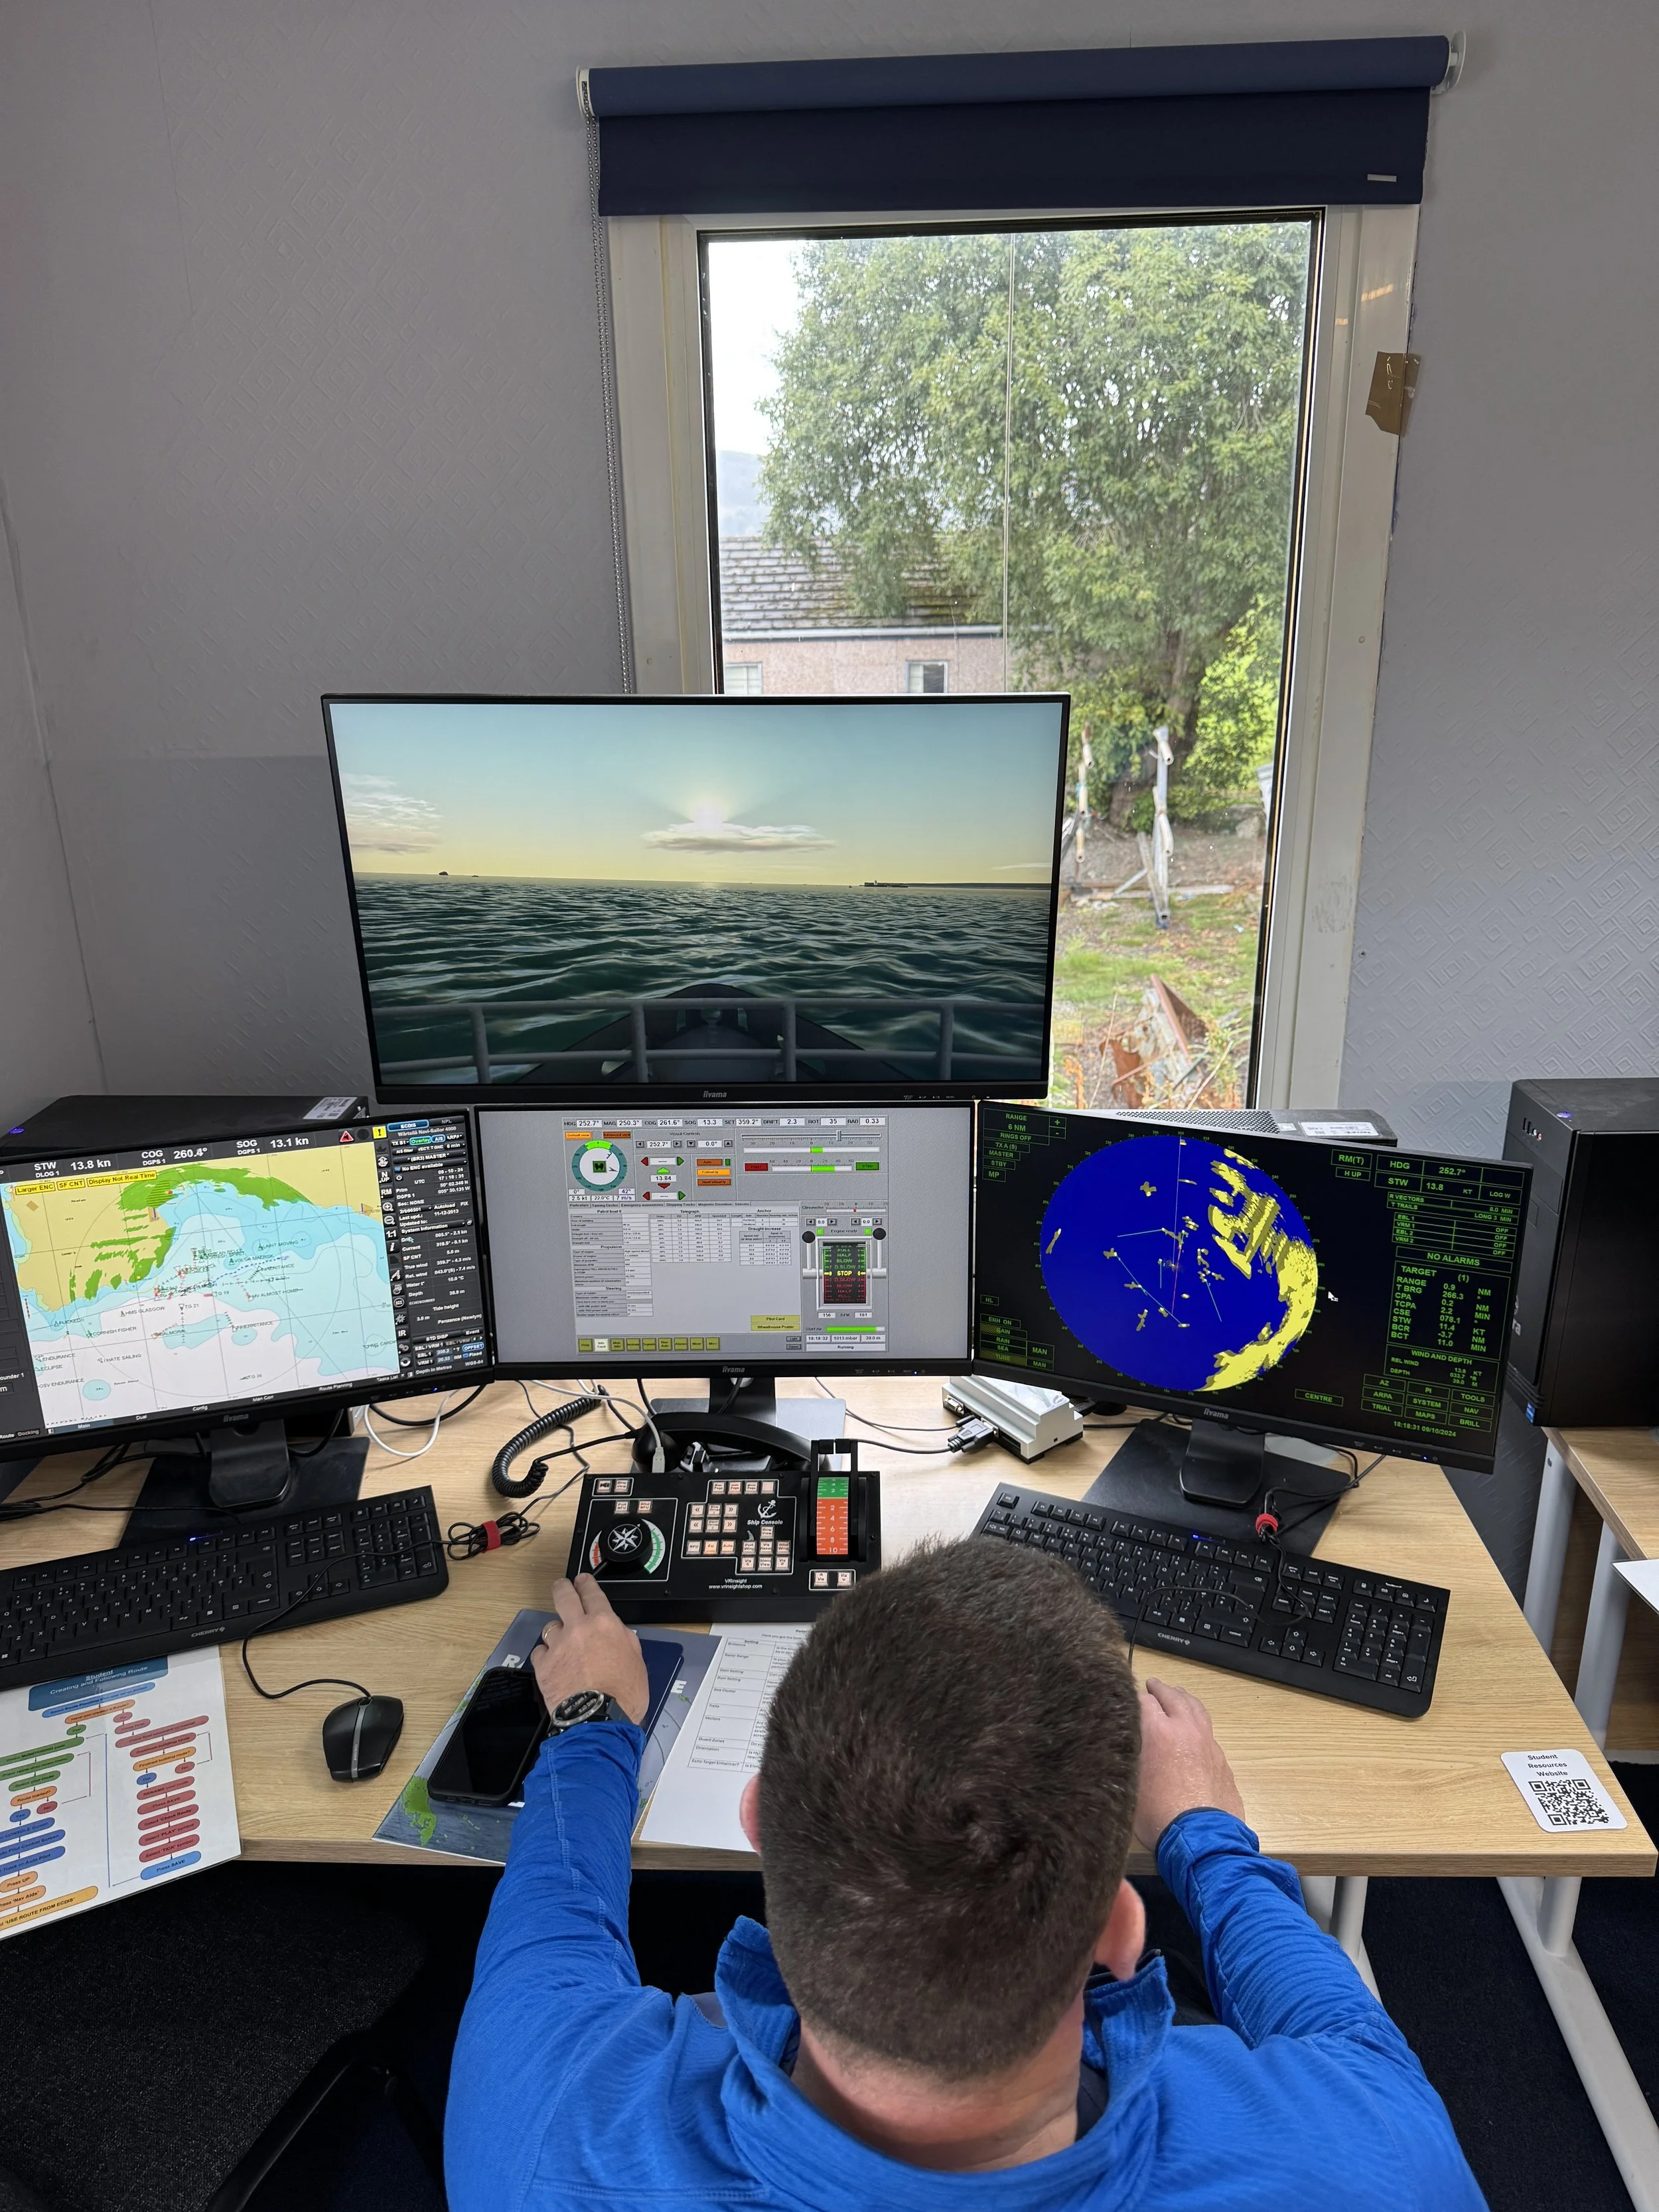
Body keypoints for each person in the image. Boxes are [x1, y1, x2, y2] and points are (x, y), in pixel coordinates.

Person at [446, 1540, 1484, 2210]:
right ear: (1120, 1935)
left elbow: (555, 1917)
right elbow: (1348, 2039)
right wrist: (1207, 1836)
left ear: (760, 1828)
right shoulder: (1377, 2169)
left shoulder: (541, 2132)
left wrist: (594, 1721)